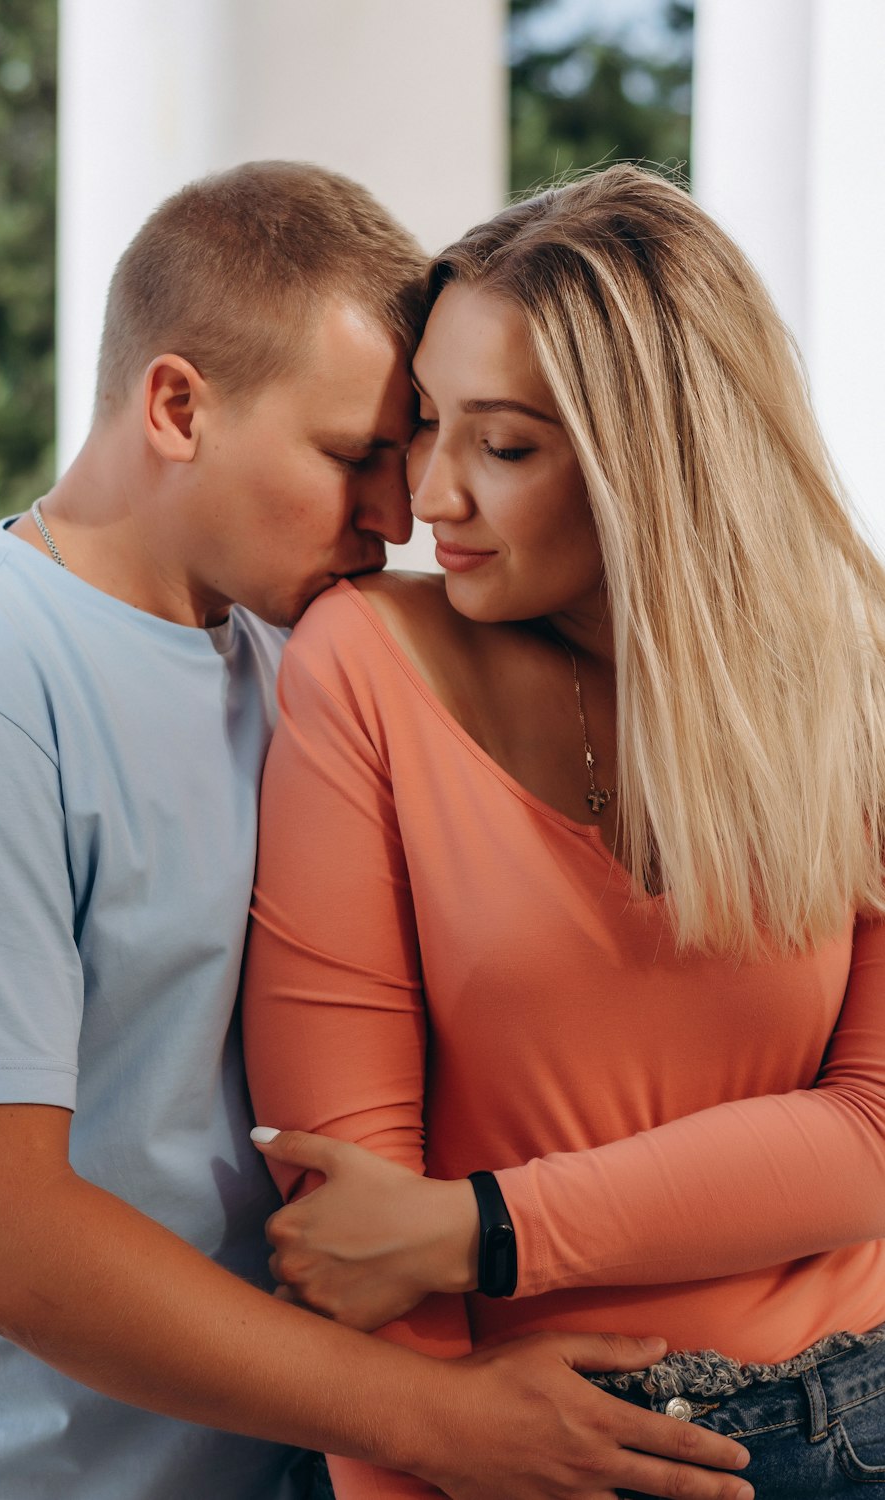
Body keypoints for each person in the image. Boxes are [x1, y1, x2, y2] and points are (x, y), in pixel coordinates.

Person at [0, 161, 752, 1500]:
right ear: (177, 405)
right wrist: (441, 1418)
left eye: (404, 456)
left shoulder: (289, 652)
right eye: (355, 457)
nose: (398, 516)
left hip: (297, 1467)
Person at [243, 164, 885, 1500]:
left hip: (860, 1410)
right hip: (526, 1453)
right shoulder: (363, 664)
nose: (430, 497)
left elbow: (875, 1136)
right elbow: (352, 1230)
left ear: (656, 457)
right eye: (426, 424)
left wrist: (481, 1229)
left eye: (507, 445)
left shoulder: (854, 683)